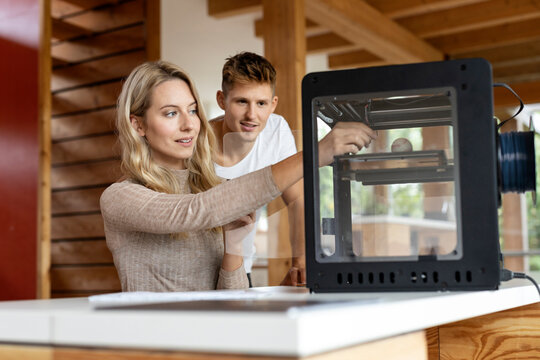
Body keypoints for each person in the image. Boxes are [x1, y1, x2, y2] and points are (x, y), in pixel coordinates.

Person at [100, 60, 377, 292]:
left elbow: (231, 300)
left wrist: (234, 246)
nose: (189, 124)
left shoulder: (213, 189)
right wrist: (314, 154)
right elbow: (196, 210)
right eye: (171, 113)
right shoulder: (120, 198)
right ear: (137, 124)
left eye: (193, 110)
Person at [210, 52, 304, 286]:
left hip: (241, 267)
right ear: (222, 100)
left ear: (273, 105)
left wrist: (299, 262)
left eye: (261, 103)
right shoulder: (196, 139)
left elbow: (297, 199)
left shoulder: (276, 130)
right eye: (242, 101)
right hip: (196, 268)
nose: (252, 115)